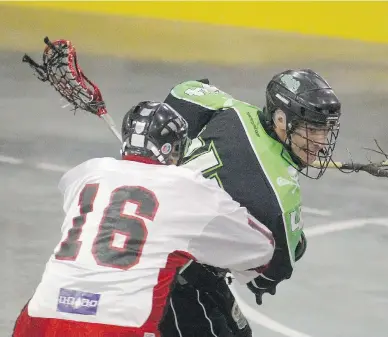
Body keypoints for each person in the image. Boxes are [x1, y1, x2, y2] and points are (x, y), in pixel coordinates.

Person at [12, 101, 274, 337]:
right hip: (119, 326)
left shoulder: (88, 172)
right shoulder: (187, 185)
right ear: (175, 148)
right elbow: (262, 249)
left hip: (38, 320)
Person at [160, 69, 341, 337]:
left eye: (325, 130)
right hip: (169, 269)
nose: (321, 143)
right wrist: (296, 243)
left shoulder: (234, 109)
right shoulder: (281, 194)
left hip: (155, 234)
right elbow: (265, 278)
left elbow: (183, 92)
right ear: (281, 119)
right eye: (312, 129)